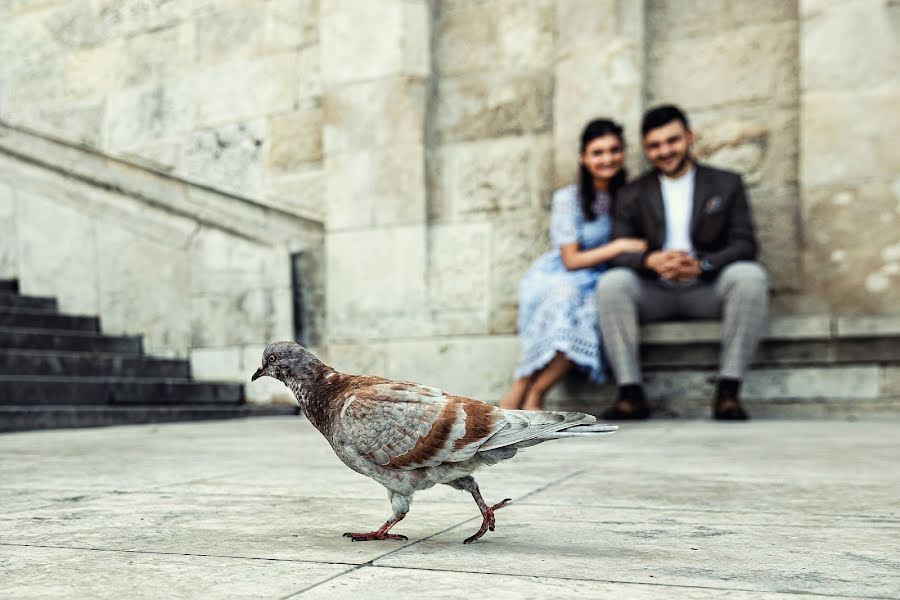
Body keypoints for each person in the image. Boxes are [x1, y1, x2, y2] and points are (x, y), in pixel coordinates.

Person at [596, 105, 768, 421]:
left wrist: (702, 264)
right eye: (655, 146)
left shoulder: (726, 184)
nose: (664, 151)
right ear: (646, 149)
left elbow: (746, 244)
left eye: (672, 141)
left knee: (750, 276)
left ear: (689, 137)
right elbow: (617, 251)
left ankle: (728, 393)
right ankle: (630, 394)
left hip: (707, 287)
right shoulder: (632, 193)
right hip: (654, 291)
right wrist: (650, 260)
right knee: (612, 283)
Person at [500, 119, 647, 411]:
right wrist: (619, 246)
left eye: (614, 150)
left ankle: (537, 392)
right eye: (598, 152)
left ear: (623, 153)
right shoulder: (568, 199)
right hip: (564, 274)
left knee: (591, 310)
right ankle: (518, 394)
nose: (607, 158)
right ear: (584, 157)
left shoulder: (630, 196)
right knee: (564, 297)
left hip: (601, 279)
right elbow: (571, 259)